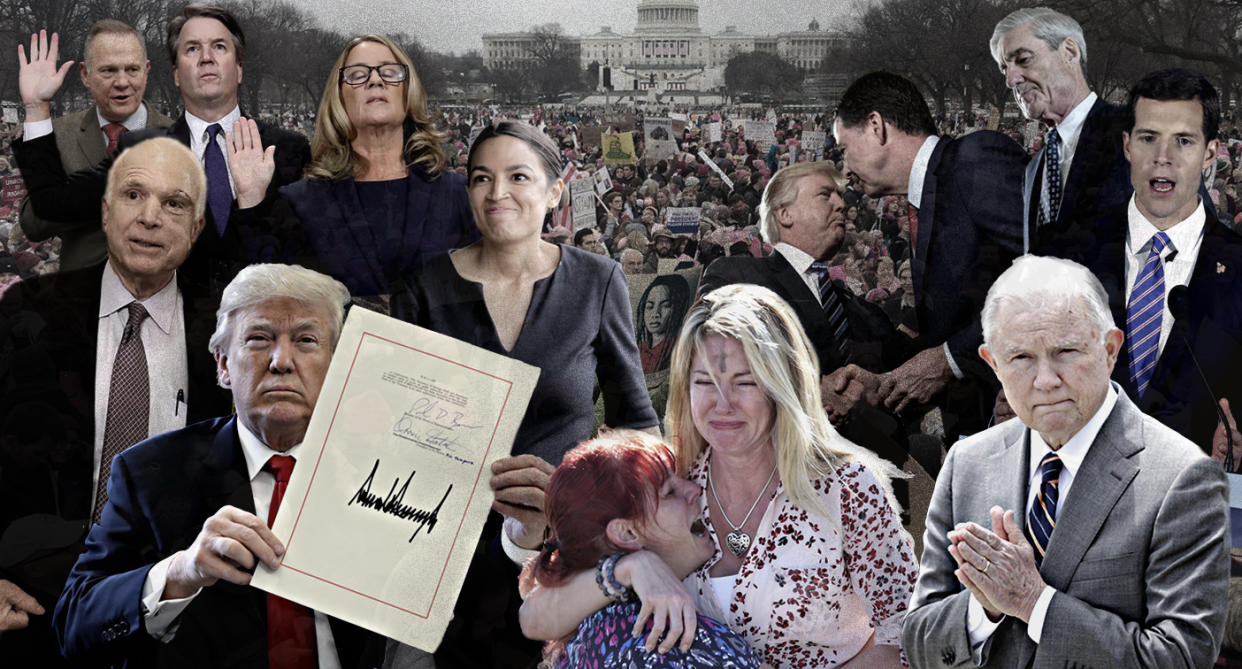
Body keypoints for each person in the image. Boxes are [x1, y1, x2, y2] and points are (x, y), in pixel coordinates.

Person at [521, 283, 917, 668]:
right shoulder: (669, 482)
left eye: (745, 383)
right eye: (704, 382)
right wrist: (631, 569)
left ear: (783, 387)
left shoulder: (847, 487)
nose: (722, 404)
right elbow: (535, 617)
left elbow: (909, 637)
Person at [392, 120, 658, 668]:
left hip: (566, 557)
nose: (497, 194)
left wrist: (604, 508)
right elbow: (399, 429)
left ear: (555, 189)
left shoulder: (598, 281)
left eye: (518, 176)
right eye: (481, 179)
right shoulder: (424, 286)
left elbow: (637, 423)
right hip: (448, 551)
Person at [902, 255, 1229, 667]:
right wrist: (981, 610)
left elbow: (1180, 659)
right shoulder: (967, 463)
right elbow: (918, 642)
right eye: (1021, 358)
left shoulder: (1182, 477)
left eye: (1066, 351)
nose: (1045, 380)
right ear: (992, 364)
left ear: (1110, 350)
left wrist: (1035, 603)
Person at [53, 263, 386, 668]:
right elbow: (73, 623)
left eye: (306, 340)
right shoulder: (149, 473)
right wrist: (181, 571)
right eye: (259, 338)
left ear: (337, 366)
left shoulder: (387, 468)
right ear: (224, 365)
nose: (282, 360)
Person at [0, 137, 232, 667]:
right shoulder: (24, 315)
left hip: (178, 617)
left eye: (175, 203)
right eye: (133, 195)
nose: (151, 217)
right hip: (29, 604)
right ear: (105, 214)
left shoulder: (231, 333)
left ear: (196, 229)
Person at [14, 5, 311, 290]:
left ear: (240, 68)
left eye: (219, 47)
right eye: (192, 49)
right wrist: (37, 106)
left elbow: (303, 265)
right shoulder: (141, 147)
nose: (206, 57)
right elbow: (51, 204)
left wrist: (253, 204)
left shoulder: (288, 149)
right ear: (177, 75)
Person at [1037, 68, 1242, 457]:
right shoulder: (1064, 251)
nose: (1162, 159)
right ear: (1128, 146)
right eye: (1149, 138)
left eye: (1183, 141)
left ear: (1210, 153)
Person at [831, 71, 1026, 437]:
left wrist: (948, 359)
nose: (845, 170)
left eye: (844, 149)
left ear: (876, 126)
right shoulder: (925, 199)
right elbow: (955, 327)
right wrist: (887, 381)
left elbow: (1058, 275)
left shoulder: (974, 160)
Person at [242, 34, 477, 299]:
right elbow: (265, 299)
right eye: (357, 75)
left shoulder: (459, 195)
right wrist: (251, 200)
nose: (376, 80)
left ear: (407, 92)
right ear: (339, 97)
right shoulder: (299, 202)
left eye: (390, 72)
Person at [521, 430, 763, 668]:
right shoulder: (675, 641)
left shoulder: (588, 631)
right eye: (669, 492)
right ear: (626, 533)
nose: (695, 490)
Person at [18, 20, 174, 271]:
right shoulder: (56, 134)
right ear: (85, 75)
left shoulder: (181, 137)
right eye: (109, 71)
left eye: (132, 69)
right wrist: (36, 109)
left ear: (146, 70)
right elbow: (33, 225)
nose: (122, 81)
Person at [990, 7, 1131, 251]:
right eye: (1005, 68)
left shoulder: (1139, 133)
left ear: (1069, 52)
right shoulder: (1034, 169)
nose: (1010, 80)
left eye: (1023, 60)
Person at [636, 273, 691, 374]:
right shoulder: (637, 350)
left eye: (665, 305)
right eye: (649, 306)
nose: (655, 314)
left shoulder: (679, 350)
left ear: (676, 309)